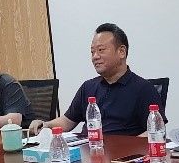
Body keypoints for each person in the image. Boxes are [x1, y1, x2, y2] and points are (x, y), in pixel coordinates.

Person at [29, 23, 164, 136]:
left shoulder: (143, 89)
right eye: (92, 51)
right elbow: (67, 121)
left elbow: (156, 131)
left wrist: (127, 147)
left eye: (101, 50)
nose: (95, 56)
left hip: (121, 156)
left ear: (121, 52)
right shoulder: (88, 87)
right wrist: (45, 125)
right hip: (88, 152)